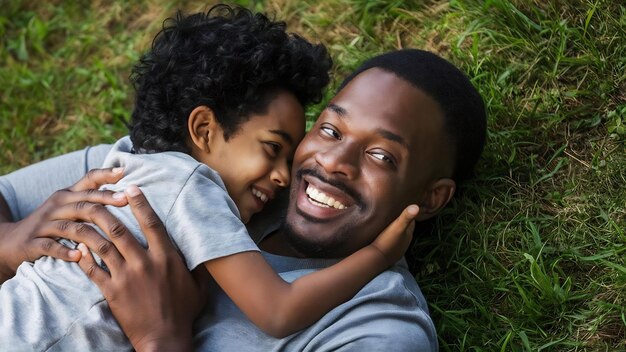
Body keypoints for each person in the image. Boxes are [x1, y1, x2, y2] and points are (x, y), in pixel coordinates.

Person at [0, 48, 487, 350]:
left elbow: (278, 312)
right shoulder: (197, 176)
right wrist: (12, 240)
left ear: (431, 197)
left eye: (382, 155)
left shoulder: (376, 329)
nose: (335, 160)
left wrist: (161, 340)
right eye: (331, 129)